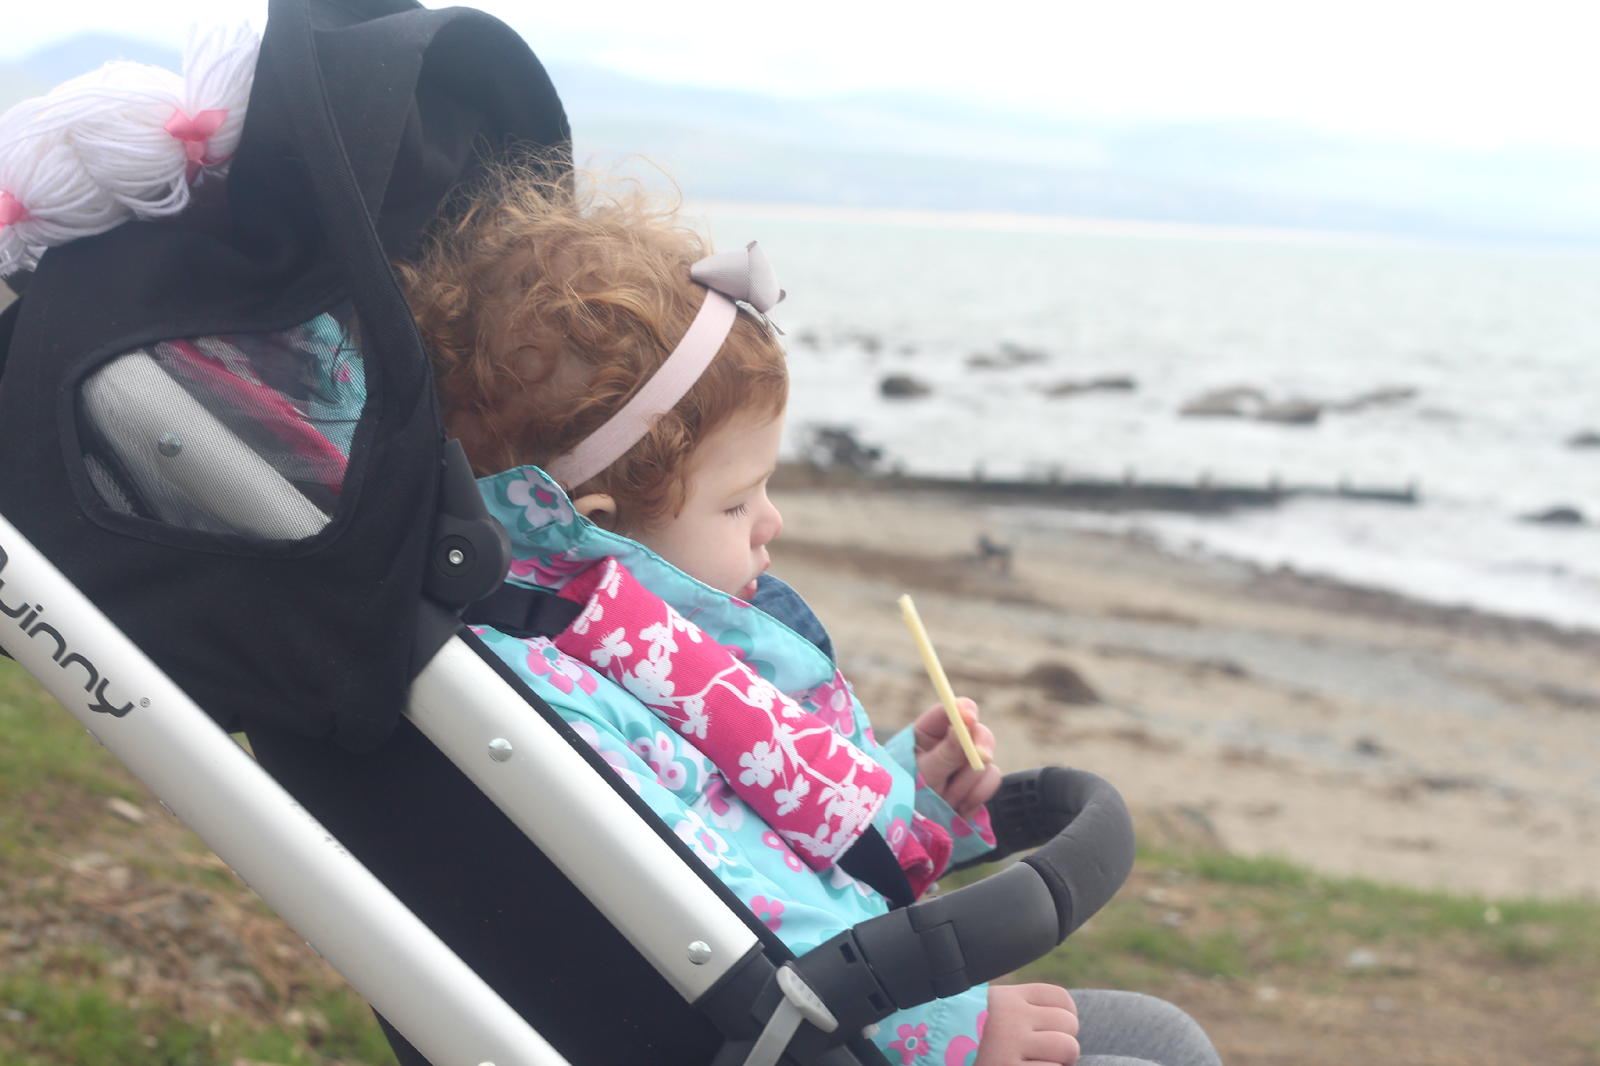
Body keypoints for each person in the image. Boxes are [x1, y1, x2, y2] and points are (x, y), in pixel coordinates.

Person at [398, 167, 1223, 1066]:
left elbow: (772, 821)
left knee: (1165, 1036)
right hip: (816, 1029)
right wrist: (950, 1035)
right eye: (736, 502)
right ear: (599, 526)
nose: (772, 523)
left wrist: (914, 794)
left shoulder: (645, 642)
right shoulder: (552, 693)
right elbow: (728, 906)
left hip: (854, 996)